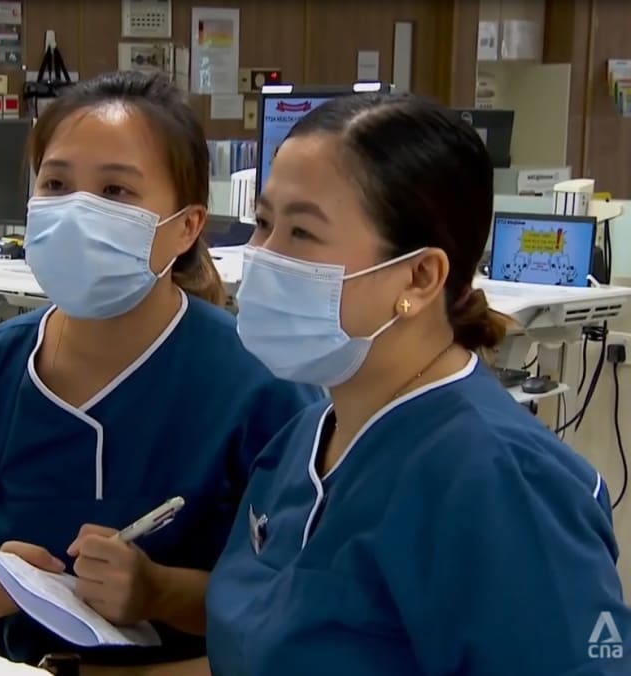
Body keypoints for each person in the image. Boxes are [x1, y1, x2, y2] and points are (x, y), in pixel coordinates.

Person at [0, 71, 322, 669]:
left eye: (116, 192)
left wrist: (158, 591)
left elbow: (298, 607)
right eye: (57, 183)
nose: (76, 212)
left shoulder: (262, 388)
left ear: (187, 227)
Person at [197, 92, 629, 675]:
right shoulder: (310, 437)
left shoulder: (503, 484)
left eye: (301, 233)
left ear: (421, 276)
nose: (262, 258)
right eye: (265, 223)